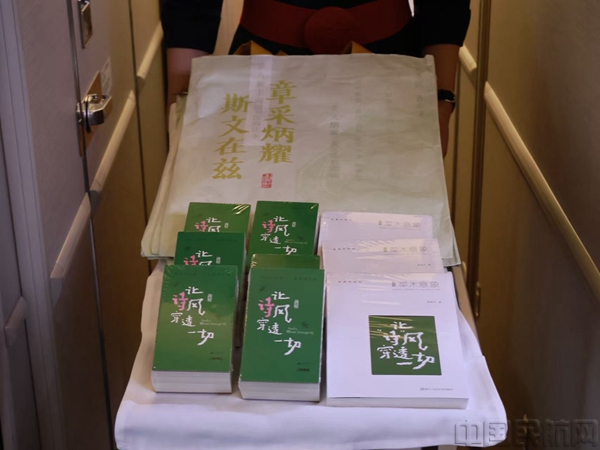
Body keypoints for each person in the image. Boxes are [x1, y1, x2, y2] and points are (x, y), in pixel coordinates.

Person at [163, 0, 471, 156]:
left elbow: (444, 6)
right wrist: (181, 109)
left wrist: (442, 100)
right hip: (264, 65)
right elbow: (190, 7)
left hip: (390, 73)